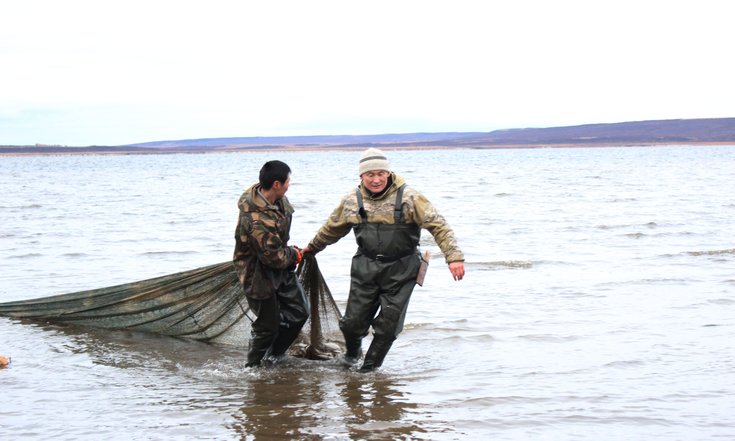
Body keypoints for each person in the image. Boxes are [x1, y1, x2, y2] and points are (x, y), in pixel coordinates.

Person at [302, 148, 465, 372]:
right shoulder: (352, 200)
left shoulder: (410, 197)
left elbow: (440, 226)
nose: (376, 179)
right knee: (351, 324)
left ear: (388, 173)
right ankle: (351, 357)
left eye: (381, 173)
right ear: (361, 176)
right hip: (365, 268)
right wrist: (310, 249)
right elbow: (331, 229)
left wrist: (453, 258)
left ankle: (368, 371)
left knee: (388, 327)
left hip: (402, 269)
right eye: (370, 174)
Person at [233, 160, 308, 367]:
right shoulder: (256, 219)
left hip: (281, 268)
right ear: (277, 184)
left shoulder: (278, 200)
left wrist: (289, 253)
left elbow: (277, 248)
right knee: (267, 326)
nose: (289, 184)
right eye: (287, 181)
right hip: (256, 273)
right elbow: (272, 257)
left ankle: (275, 356)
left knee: (300, 312)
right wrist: (294, 255)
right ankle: (252, 367)